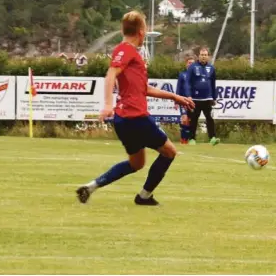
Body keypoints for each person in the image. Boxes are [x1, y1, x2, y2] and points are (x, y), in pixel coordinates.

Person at [76, 11, 195, 206]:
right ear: (141, 32)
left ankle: (91, 186)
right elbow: (111, 74)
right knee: (170, 152)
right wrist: (107, 104)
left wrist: (174, 96)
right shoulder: (126, 51)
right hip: (136, 117)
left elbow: (144, 88)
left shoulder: (129, 54)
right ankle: (144, 196)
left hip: (124, 120)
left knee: (136, 163)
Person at [184, 47, 220, 146]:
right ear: (198, 56)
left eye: (205, 55)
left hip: (207, 98)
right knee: (194, 118)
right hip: (195, 98)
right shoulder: (192, 67)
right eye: (202, 55)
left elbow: (213, 83)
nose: (203, 57)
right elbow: (187, 82)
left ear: (208, 57)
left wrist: (214, 97)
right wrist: (188, 95)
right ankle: (192, 139)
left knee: (209, 118)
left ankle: (212, 138)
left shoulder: (211, 68)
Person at [176, 55, 196, 144]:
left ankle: (189, 139)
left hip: (193, 101)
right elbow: (178, 88)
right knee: (184, 119)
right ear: (186, 64)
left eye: (192, 63)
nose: (191, 65)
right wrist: (176, 100)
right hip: (183, 100)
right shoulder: (182, 74)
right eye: (189, 63)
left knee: (191, 120)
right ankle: (183, 139)